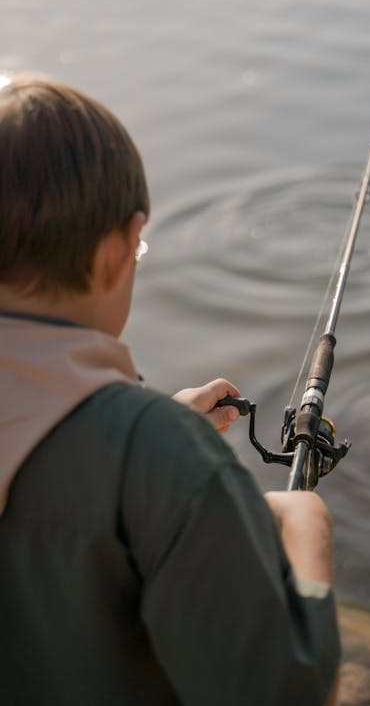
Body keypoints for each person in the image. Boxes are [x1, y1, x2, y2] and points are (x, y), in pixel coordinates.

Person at [0, 73, 340, 705]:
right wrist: (307, 536)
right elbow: (280, 691)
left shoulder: (151, 446)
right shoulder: (164, 462)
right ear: (118, 248)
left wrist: (146, 423)